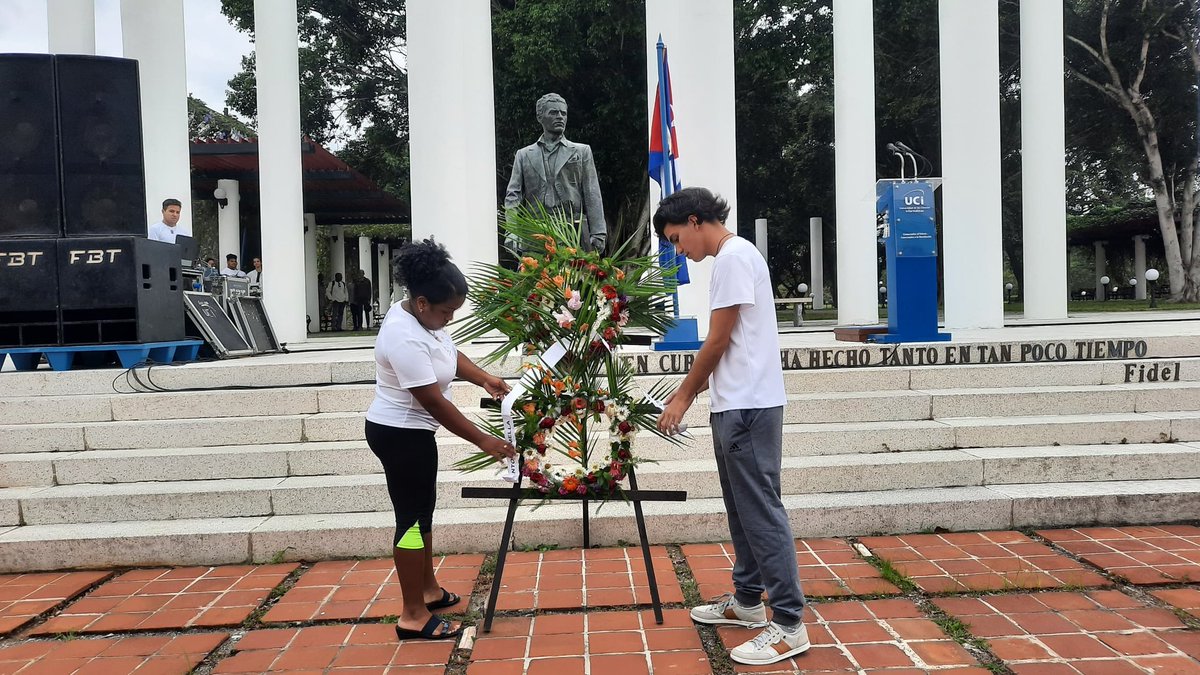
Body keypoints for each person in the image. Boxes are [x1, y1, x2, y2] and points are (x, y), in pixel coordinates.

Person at [654, 187, 809, 666]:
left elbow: (718, 341)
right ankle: (746, 602)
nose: (680, 251)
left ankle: (788, 623)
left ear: (697, 221)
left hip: (749, 407)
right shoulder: (731, 258)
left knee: (761, 510)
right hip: (735, 404)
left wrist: (682, 396)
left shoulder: (733, 258)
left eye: (678, 238)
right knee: (743, 510)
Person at [366, 238, 516, 641]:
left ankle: (427, 589)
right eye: (446, 311)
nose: (449, 319)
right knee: (410, 522)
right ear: (420, 303)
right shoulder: (403, 335)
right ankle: (412, 614)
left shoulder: (423, 322)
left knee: (422, 514)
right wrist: (485, 441)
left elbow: (448, 353)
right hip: (400, 435)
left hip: (415, 434)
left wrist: (483, 376)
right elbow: (434, 402)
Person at [504, 93, 607, 253]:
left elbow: (592, 193)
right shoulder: (524, 155)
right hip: (535, 234)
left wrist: (599, 232)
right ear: (540, 117)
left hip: (573, 233)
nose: (560, 117)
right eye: (553, 112)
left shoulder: (581, 151)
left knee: (574, 278)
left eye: (563, 113)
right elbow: (513, 197)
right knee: (534, 277)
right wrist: (512, 231)